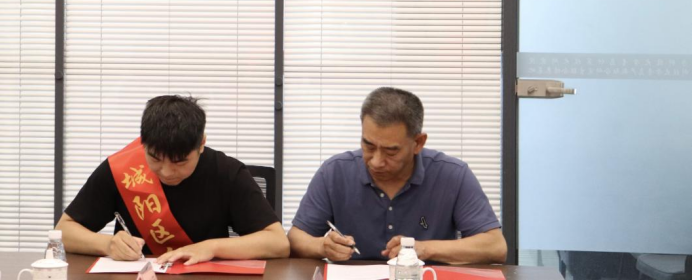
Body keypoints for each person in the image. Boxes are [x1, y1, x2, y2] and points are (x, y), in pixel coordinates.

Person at [56, 95, 289, 264]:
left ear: (201, 144)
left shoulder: (227, 172)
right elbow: (64, 231)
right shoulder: (122, 169)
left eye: (180, 162)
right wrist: (107, 244)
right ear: (143, 143)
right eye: (155, 159)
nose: (166, 172)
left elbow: (278, 243)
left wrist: (211, 247)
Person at [288, 87, 507, 265]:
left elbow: (495, 247)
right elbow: (296, 238)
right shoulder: (335, 172)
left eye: (391, 151)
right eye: (368, 145)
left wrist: (423, 249)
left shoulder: (452, 174)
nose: (376, 161)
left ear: (418, 143)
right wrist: (322, 246)